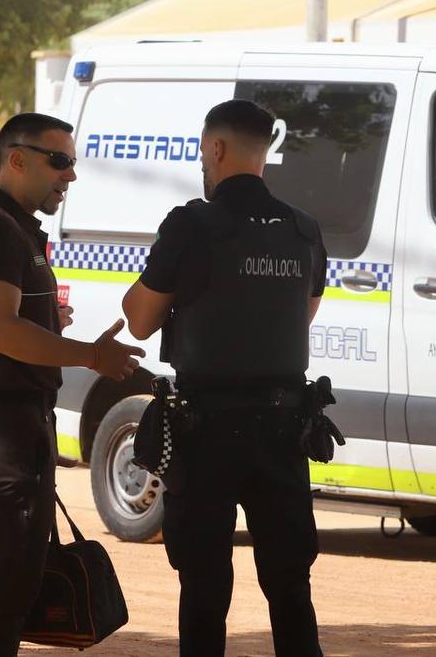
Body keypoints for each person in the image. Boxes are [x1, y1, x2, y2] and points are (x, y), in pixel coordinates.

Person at [122, 99, 328, 657]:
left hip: (206, 429)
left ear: (216, 149)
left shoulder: (192, 226)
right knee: (290, 586)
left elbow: (139, 319)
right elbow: (299, 316)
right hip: (283, 427)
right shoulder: (303, 230)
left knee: (205, 588)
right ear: (265, 152)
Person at [0, 112, 144, 657]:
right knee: (2, 581)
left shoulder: (16, 231)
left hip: (19, 421)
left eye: (73, 163)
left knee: (16, 579)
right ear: (17, 159)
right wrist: (90, 356)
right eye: (59, 161)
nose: (70, 176)